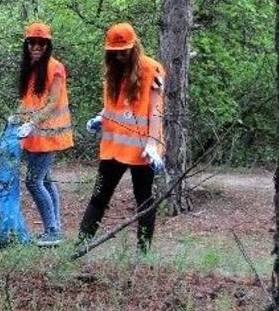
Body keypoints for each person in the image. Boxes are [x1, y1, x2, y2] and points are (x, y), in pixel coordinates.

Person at [79, 22, 165, 253]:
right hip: (113, 147)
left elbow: (156, 110)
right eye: (115, 53)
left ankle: (142, 254)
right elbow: (110, 107)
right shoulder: (112, 72)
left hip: (141, 150)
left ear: (134, 46)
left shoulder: (152, 69)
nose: (120, 57)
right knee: (98, 197)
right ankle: (79, 248)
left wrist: (153, 144)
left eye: (124, 51)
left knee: (144, 201)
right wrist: (100, 118)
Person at [12, 22, 74, 247]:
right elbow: (27, 101)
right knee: (45, 181)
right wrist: (16, 118)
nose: (35, 47)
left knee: (33, 182)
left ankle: (51, 230)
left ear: (47, 45)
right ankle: (55, 227)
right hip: (34, 136)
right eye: (32, 43)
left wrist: (32, 123)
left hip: (49, 135)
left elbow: (53, 102)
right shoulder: (31, 68)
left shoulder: (55, 67)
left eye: (41, 43)